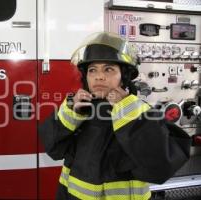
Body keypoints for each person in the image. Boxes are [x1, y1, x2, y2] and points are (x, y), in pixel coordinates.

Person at [38, 32, 191, 200]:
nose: (99, 76)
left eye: (108, 69)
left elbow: (161, 167)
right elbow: (53, 149)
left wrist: (126, 109)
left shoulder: (140, 113)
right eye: (92, 70)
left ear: (124, 76)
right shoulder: (80, 111)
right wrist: (71, 112)